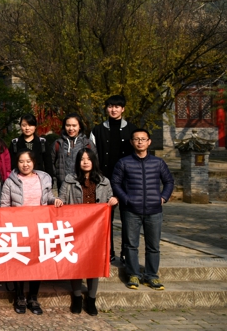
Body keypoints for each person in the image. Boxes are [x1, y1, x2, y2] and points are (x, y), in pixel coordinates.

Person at [112, 129, 174, 291]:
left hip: (154, 210)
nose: (140, 142)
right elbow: (115, 183)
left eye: (143, 139)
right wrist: (126, 199)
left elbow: (169, 181)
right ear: (132, 142)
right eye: (136, 139)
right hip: (131, 210)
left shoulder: (158, 163)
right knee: (131, 244)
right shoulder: (123, 163)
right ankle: (133, 274)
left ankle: (151, 276)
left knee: (153, 246)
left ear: (149, 142)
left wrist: (163, 197)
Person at [1, 150, 62, 315]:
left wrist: (55, 200)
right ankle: (19, 296)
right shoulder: (10, 181)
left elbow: (48, 197)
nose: (25, 164)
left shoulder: (44, 178)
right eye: (21, 161)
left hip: (39, 227)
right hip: (19, 228)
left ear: (33, 162)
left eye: (28, 161)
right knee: (19, 261)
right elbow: (4, 206)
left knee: (38, 262)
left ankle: (33, 297)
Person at [59, 147, 118, 316]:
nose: (85, 162)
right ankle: (77, 297)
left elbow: (109, 201)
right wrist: (58, 201)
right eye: (82, 159)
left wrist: (114, 201)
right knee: (76, 262)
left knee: (94, 263)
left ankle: (91, 299)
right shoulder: (70, 180)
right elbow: (62, 198)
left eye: (88, 159)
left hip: (96, 230)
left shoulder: (104, 181)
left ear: (94, 161)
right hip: (76, 229)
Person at [90, 95, 134, 265]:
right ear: (106, 108)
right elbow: (92, 156)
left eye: (117, 106)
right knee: (105, 219)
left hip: (127, 183)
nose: (113, 110)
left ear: (123, 109)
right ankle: (107, 252)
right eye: (110, 106)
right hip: (103, 181)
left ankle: (126, 253)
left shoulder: (132, 130)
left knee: (128, 219)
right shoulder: (97, 131)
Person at [51, 113, 92, 194]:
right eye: (68, 125)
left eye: (74, 125)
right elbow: (50, 163)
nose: (71, 128)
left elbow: (95, 162)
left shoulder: (87, 143)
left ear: (79, 126)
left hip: (84, 184)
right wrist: (57, 176)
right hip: (64, 185)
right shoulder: (58, 143)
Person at [10, 114, 52, 178]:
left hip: (39, 178)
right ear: (20, 126)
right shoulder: (15, 143)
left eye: (30, 125)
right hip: (20, 179)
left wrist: (49, 180)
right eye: (24, 125)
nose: (27, 128)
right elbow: (12, 165)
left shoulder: (42, 142)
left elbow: (48, 165)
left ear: (35, 126)